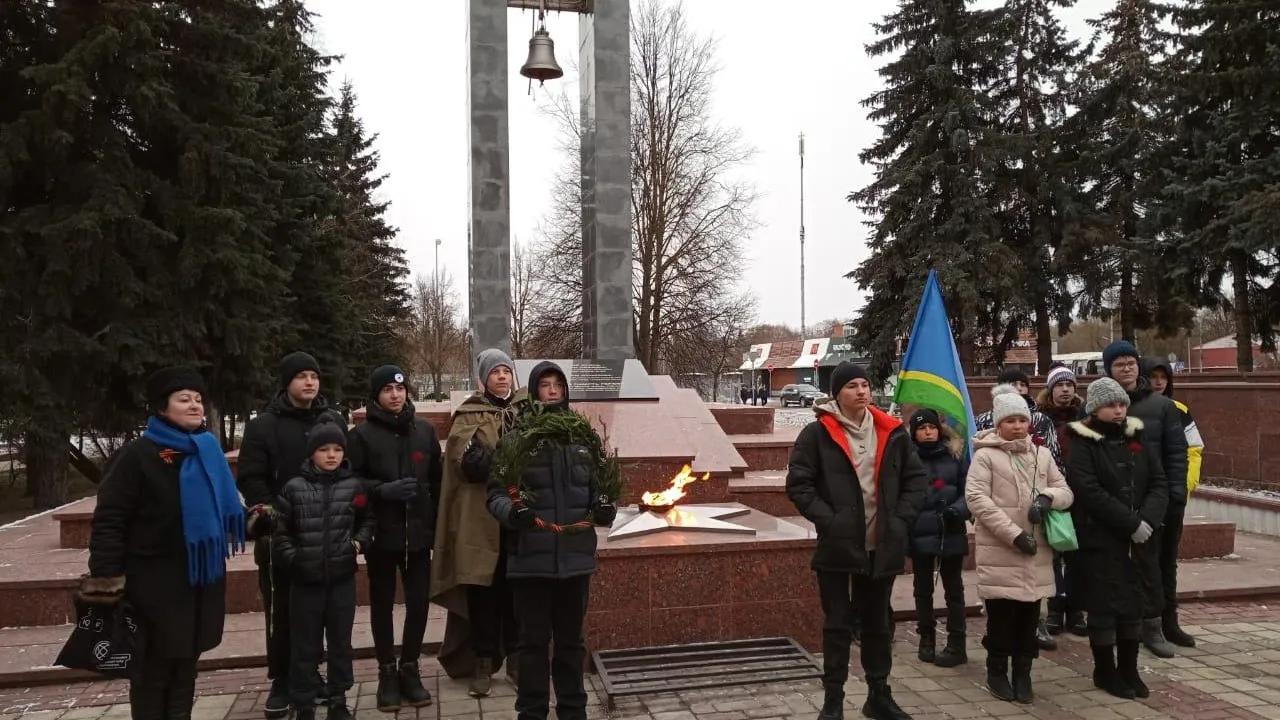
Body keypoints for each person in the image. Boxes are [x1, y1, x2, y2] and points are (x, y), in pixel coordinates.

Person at [86, 367, 246, 720]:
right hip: (152, 585)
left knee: (185, 670)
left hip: (199, 581)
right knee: (153, 674)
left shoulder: (208, 452)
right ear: (161, 407)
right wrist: (107, 582)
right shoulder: (136, 456)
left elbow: (227, 510)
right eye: (184, 399)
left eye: (198, 399)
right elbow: (110, 521)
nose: (195, 406)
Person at [785, 362, 928, 720]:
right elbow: (799, 484)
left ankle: (878, 695)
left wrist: (899, 521)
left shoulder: (891, 432)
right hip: (838, 545)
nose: (862, 391)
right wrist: (831, 521)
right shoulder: (817, 434)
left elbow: (915, 481)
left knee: (878, 624)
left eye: (865, 384)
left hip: (882, 545)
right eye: (852, 386)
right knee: (837, 625)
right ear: (837, 394)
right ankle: (833, 700)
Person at [486, 361, 618, 720]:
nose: (553, 390)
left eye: (558, 384)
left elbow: (602, 488)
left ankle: (573, 711)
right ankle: (532, 712)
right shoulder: (515, 440)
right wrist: (513, 513)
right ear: (534, 391)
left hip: (575, 561)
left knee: (571, 644)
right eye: (545, 384)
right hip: (531, 562)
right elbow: (495, 494)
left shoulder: (584, 438)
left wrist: (605, 506)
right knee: (531, 645)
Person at [237, 352, 335, 717]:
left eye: (314, 376)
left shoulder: (331, 420)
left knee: (317, 609)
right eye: (301, 376)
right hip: (280, 534)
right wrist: (274, 515)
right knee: (280, 610)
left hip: (323, 532)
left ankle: (310, 672)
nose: (309, 382)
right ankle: (281, 678)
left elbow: (344, 469)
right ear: (286, 382)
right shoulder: (263, 426)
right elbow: (251, 478)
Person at [430, 349, 529, 695]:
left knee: (516, 590)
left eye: (506, 371)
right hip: (479, 518)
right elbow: (464, 462)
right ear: (482, 379)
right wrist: (501, 457)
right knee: (482, 591)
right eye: (495, 371)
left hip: (518, 515)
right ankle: (482, 662)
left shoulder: (526, 410)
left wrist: (499, 456)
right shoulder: (469, 414)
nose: (502, 376)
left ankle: (516, 660)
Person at [966, 385, 1073, 705]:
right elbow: (977, 500)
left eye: (1022, 420)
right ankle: (997, 671)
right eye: (1010, 421)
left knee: (1029, 619)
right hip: (1001, 551)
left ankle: (1023, 673)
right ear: (998, 424)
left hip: (1036, 553)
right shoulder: (985, 456)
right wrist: (1013, 535)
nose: (1017, 426)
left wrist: (1047, 498)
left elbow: (1065, 491)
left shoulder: (1041, 455)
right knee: (1001, 619)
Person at [1065, 377, 1168, 700]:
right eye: (1111, 405)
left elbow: (1158, 481)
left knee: (1134, 604)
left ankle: (1129, 669)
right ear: (1095, 409)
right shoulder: (1083, 442)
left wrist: (1147, 520)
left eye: (1122, 403)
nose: (1119, 410)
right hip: (1100, 537)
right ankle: (1105, 670)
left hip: (1139, 538)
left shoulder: (1136, 436)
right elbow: (1088, 489)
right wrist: (1130, 523)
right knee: (1104, 606)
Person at [347, 365, 442, 710]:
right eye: (387, 389)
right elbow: (350, 482)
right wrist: (381, 491)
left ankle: (410, 667)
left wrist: (435, 526)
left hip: (418, 534)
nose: (395, 395)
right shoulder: (361, 435)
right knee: (382, 603)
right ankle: (387, 671)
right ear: (376, 395)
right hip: (381, 535)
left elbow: (437, 482)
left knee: (418, 603)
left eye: (400, 389)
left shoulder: (424, 431)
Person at [273, 415, 374, 720]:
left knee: (341, 644)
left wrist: (357, 544)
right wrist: (295, 559)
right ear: (311, 453)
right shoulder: (294, 488)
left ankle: (338, 700)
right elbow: (280, 533)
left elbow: (367, 520)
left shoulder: (354, 486)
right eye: (324, 449)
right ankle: (303, 703)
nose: (331, 455)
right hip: (305, 582)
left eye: (337, 449)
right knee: (304, 646)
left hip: (341, 579)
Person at [1101, 340, 1187, 657]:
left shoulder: (1162, 406)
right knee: (1118, 566)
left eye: (1131, 363)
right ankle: (1127, 626)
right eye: (1119, 364)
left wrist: (1175, 498)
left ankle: (1162, 624)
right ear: (1108, 369)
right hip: (1115, 503)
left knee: (1160, 565)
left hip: (1159, 500)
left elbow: (1177, 455)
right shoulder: (1097, 405)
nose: (1126, 368)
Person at [1143, 356, 1204, 648]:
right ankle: (1146, 623)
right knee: (1145, 563)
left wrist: (1184, 488)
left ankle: (1170, 622)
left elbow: (1194, 450)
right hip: (1145, 499)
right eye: (1153, 376)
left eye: (1163, 377)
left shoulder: (1180, 410)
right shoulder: (1134, 409)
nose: (1158, 382)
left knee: (1167, 562)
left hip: (1173, 498)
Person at [906, 409, 970, 668]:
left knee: (954, 589)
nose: (928, 432)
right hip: (920, 531)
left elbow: (970, 491)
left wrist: (958, 510)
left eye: (932, 427)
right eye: (922, 428)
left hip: (950, 529)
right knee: (923, 589)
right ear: (914, 433)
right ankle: (926, 637)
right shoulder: (907, 460)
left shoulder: (955, 456)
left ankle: (957, 641)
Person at [1035, 363, 1087, 637]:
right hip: (1052, 493)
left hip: (1080, 492)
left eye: (1069, 385)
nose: (1065, 390)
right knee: (1054, 554)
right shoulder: (1039, 418)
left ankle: (1076, 610)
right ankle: (1055, 610)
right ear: (1050, 389)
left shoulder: (1085, 416)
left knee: (1076, 555)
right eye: (1060, 385)